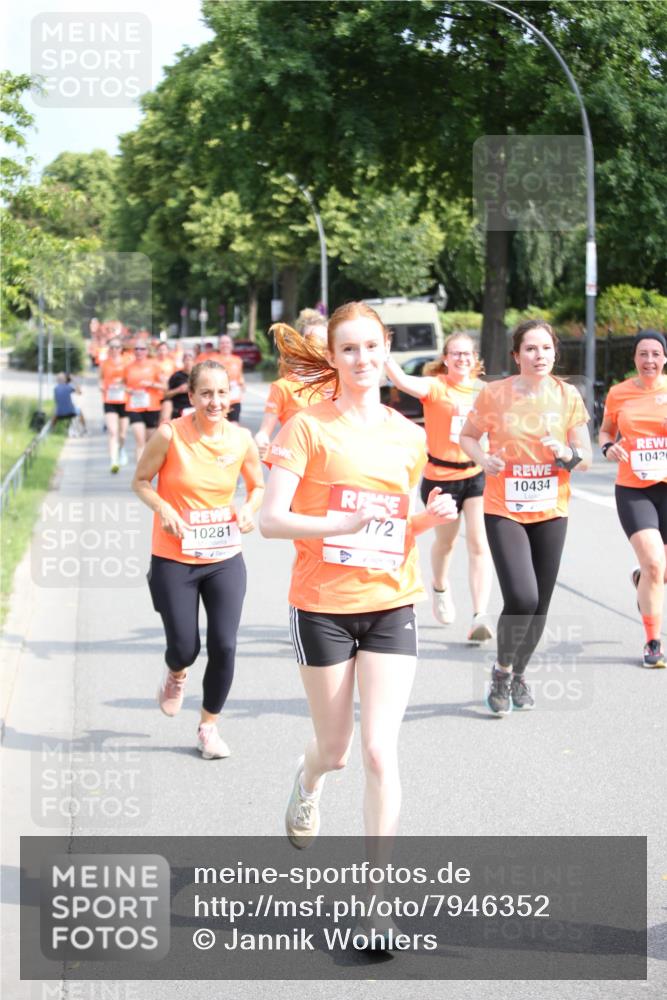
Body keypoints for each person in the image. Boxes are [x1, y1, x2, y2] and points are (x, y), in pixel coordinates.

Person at [260, 302, 457, 850]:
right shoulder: (306, 427)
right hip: (322, 606)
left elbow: (393, 524)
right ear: (332, 356)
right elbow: (270, 520)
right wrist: (339, 524)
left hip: (392, 601)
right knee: (336, 750)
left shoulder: (409, 435)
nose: (361, 358)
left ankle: (377, 891)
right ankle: (309, 779)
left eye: (371, 346)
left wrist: (427, 518)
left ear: (386, 348)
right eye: (348, 348)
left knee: (379, 751)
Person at [132, 361, 264, 758]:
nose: (215, 401)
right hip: (174, 556)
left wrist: (248, 509)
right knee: (185, 647)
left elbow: (257, 486)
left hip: (224, 555)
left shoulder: (241, 439)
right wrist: (163, 508)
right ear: (190, 396)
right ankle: (176, 671)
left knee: (224, 644)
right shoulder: (170, 435)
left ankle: (209, 727)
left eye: (222, 393)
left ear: (231, 396)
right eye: (205, 393)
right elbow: (140, 481)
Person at [459, 319, 591, 715]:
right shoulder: (494, 394)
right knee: (522, 596)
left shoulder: (567, 395)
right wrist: (484, 459)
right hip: (504, 507)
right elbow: (467, 436)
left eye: (546, 348)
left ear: (555, 353)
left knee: (541, 604)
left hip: (551, 508)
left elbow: (584, 457)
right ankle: (501, 670)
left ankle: (518, 675)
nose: (539, 355)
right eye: (530, 349)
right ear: (516, 356)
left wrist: (567, 454)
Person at [384, 333, 494, 642]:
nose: (462, 358)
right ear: (445, 358)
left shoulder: (484, 391)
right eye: (455, 353)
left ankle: (480, 615)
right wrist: (385, 355)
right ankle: (440, 587)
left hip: (475, 474)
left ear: (475, 359)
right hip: (441, 477)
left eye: (467, 354)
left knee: (479, 542)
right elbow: (402, 381)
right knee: (446, 543)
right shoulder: (435, 387)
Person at [599, 329, 667, 668]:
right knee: (654, 562)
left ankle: (642, 580)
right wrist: (608, 447)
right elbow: (606, 431)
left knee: (659, 572)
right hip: (634, 488)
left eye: (656, 354)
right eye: (643, 354)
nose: (649, 360)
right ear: (635, 358)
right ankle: (653, 642)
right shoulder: (619, 393)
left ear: (664, 358)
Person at [255, 316, 329, 460]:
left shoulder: (340, 381)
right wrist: (261, 440)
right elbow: (264, 432)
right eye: (311, 339)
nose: (318, 344)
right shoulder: (283, 387)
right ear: (300, 343)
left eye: (323, 339)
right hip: (296, 462)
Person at [124, 341, 166, 461]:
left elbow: (165, 386)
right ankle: (139, 471)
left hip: (152, 407)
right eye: (136, 349)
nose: (139, 351)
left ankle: (148, 468)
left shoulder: (155, 366)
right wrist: (129, 391)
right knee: (140, 441)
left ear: (147, 351)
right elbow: (124, 385)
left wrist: (151, 384)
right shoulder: (128, 367)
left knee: (150, 442)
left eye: (142, 349)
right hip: (134, 407)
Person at [99, 338, 130, 472]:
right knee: (112, 431)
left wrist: (122, 383)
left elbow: (132, 379)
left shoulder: (127, 362)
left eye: (117, 347)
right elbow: (100, 378)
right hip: (109, 400)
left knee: (122, 434)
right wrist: (101, 386)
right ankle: (113, 461)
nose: (114, 350)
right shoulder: (104, 363)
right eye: (112, 347)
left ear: (121, 349)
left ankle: (121, 449)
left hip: (124, 400)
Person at [161, 350, 195, 422]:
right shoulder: (176, 376)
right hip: (180, 408)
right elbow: (166, 395)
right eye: (186, 360)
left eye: (190, 360)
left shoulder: (198, 375)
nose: (188, 362)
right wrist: (178, 390)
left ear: (194, 361)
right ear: (183, 361)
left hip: (195, 407)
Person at [217, 335, 245, 422]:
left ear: (231, 345)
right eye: (222, 343)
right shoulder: (214, 360)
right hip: (219, 399)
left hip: (234, 399)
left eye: (227, 343)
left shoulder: (237, 360)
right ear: (218, 346)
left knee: (234, 425)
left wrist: (242, 386)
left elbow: (240, 377)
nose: (225, 345)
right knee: (220, 425)